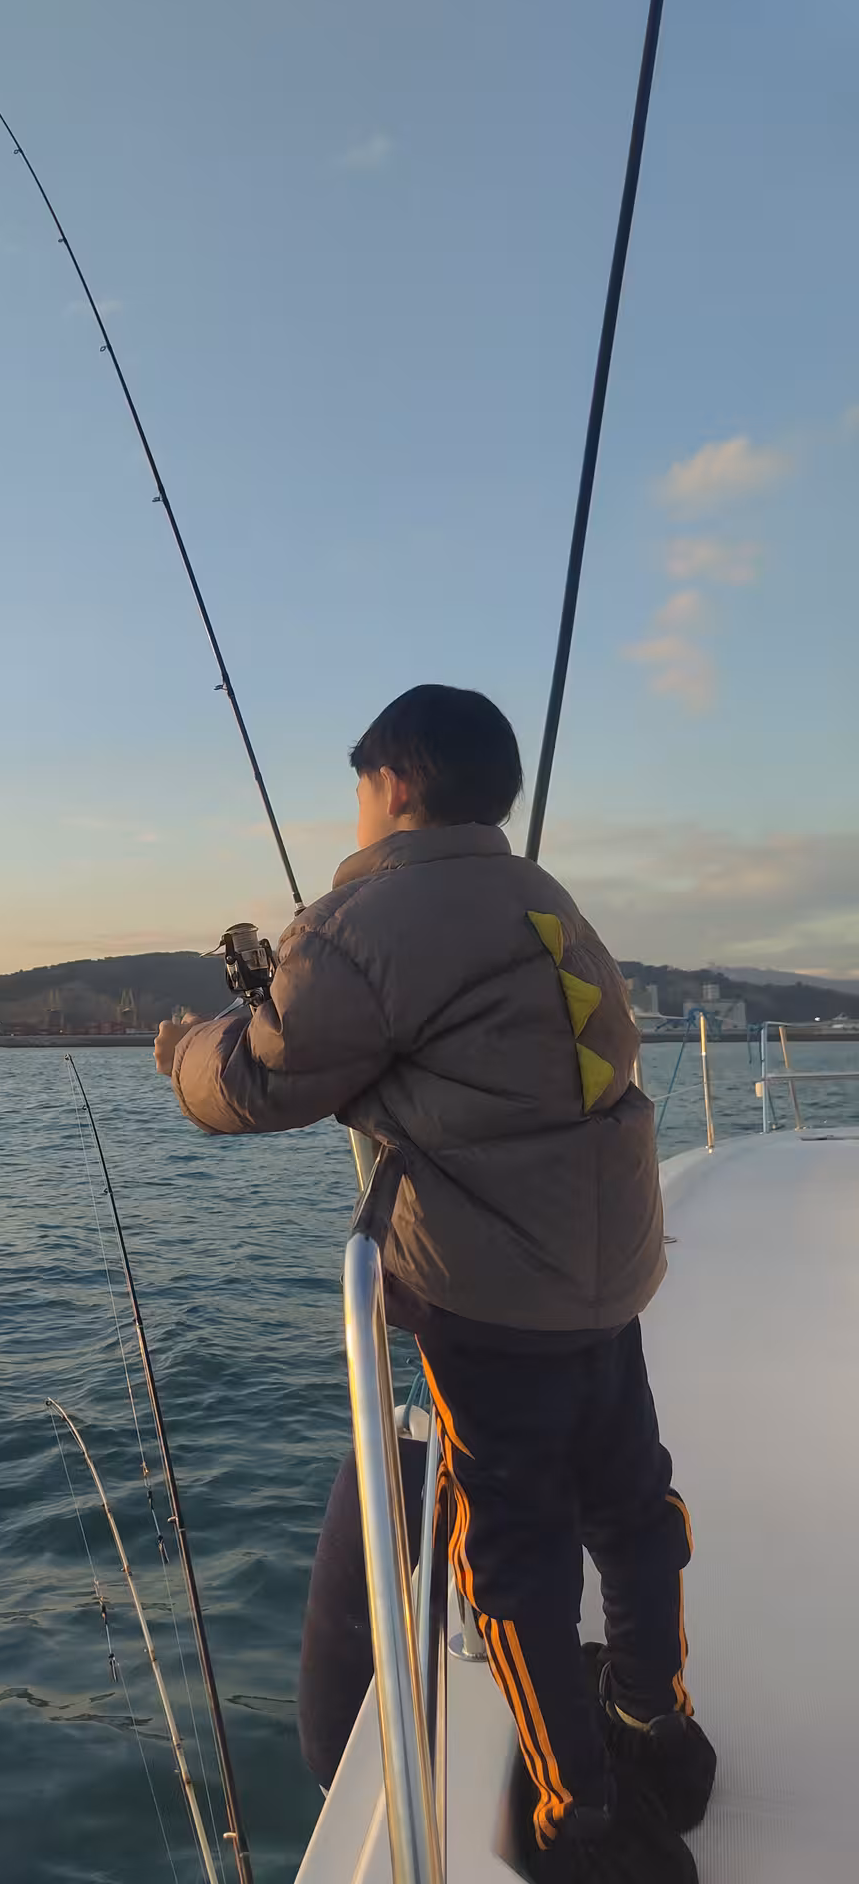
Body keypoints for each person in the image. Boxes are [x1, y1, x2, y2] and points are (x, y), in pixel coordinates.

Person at [154, 685, 716, 1884]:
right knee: (628, 1498)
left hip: (493, 1296)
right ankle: (658, 1727)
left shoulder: (364, 917)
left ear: (393, 786)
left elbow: (261, 1080)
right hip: (605, 1274)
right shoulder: (542, 899)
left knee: (509, 1554)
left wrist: (181, 1053)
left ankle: (580, 1814)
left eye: (360, 788)